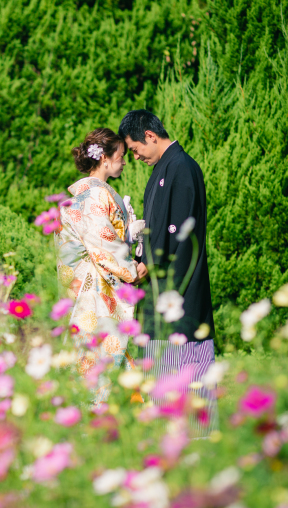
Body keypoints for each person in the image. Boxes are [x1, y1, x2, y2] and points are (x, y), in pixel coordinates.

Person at [118, 109, 217, 437]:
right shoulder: (166, 168)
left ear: (149, 135)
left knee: (184, 348)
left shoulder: (181, 168)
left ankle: (195, 435)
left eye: (134, 149)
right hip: (164, 285)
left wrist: (148, 261)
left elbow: (177, 230)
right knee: (163, 353)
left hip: (180, 284)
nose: (136, 157)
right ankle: (169, 434)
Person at [55, 127, 147, 405]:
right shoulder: (92, 195)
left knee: (101, 358)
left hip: (94, 284)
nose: (124, 161)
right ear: (105, 159)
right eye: (120, 155)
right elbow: (103, 243)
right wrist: (132, 270)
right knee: (100, 360)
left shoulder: (90, 193)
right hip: (97, 286)